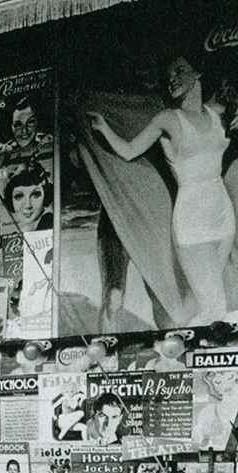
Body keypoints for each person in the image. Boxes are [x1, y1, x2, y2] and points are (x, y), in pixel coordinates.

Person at [89, 53, 236, 324]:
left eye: (180, 71)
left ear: (198, 74)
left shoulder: (216, 115)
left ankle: (172, 339)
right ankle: (179, 346)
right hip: (193, 221)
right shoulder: (167, 118)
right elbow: (130, 151)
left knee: (205, 297)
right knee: (215, 306)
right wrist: (104, 127)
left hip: (223, 217)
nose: (173, 79)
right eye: (169, 76)